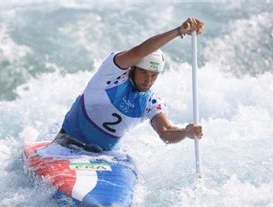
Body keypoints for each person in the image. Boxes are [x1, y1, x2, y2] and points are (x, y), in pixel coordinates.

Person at [54, 17, 205, 153]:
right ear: (133, 68)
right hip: (66, 143)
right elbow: (138, 52)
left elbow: (166, 132)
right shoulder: (111, 73)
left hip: (103, 156)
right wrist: (178, 31)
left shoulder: (150, 102)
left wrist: (186, 133)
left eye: (154, 75)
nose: (148, 80)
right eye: (144, 73)